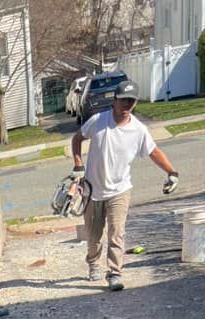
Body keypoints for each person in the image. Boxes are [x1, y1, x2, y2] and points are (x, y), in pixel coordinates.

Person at [71, 79, 179, 292]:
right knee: (93, 236)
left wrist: (171, 172)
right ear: (115, 100)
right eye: (123, 100)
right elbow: (77, 139)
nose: (127, 104)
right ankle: (93, 263)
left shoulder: (139, 130)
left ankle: (114, 273)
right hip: (93, 190)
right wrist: (78, 165)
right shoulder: (98, 121)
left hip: (120, 190)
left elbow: (153, 152)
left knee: (116, 232)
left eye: (131, 101)